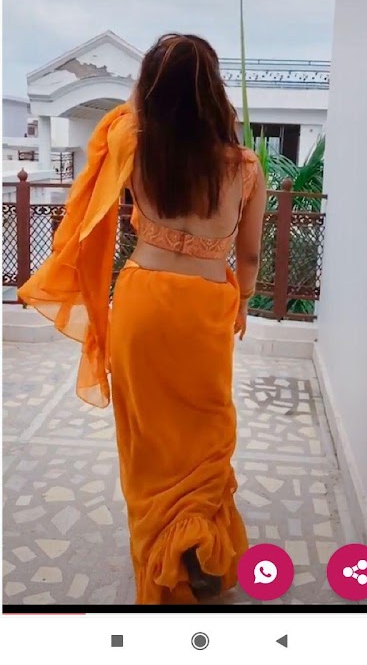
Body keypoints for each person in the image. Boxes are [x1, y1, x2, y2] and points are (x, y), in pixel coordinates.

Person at [18, 33, 266, 605]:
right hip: (205, 308)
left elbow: (131, 116)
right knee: (207, 430)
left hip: (142, 303)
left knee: (147, 436)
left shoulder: (132, 144)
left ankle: (166, 548)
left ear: (151, 88)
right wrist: (243, 301)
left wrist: (157, 92)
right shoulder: (245, 167)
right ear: (214, 90)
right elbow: (250, 257)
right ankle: (198, 539)